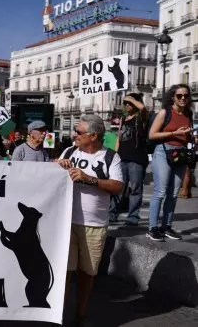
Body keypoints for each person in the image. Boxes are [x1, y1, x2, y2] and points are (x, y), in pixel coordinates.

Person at [57, 114, 123, 326]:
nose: (74, 135)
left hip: (93, 225)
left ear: (93, 136)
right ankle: (59, 315)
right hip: (66, 222)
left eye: (79, 132)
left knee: (87, 273)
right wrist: (57, 164)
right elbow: (49, 171)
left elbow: (117, 186)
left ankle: (80, 315)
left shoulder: (111, 157)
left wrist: (89, 179)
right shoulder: (69, 151)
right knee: (64, 271)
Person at [147, 84, 193, 241]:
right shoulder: (164, 113)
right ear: (173, 97)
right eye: (179, 96)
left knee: (173, 194)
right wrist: (175, 133)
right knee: (160, 192)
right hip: (163, 151)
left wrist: (191, 136)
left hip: (180, 153)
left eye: (186, 95)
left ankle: (166, 226)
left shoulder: (189, 114)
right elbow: (152, 134)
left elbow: (187, 135)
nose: (183, 98)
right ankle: (152, 228)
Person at [109, 93, 148, 225]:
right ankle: (112, 214)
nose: (127, 105)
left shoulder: (141, 118)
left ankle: (133, 217)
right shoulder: (123, 119)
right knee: (117, 187)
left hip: (136, 159)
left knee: (135, 189)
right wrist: (114, 155)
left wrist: (130, 98)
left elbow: (143, 109)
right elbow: (118, 139)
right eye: (125, 103)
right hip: (121, 157)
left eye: (130, 102)